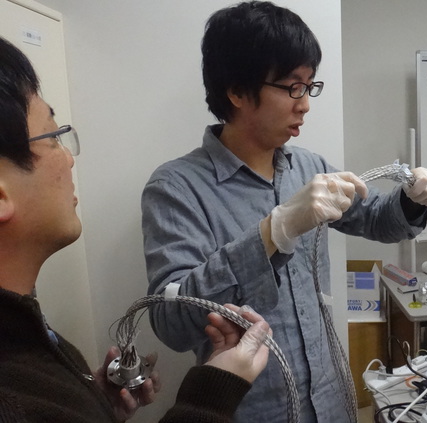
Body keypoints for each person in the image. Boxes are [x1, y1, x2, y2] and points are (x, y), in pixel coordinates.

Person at [140, 1, 427, 422]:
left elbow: (377, 218)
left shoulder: (308, 167)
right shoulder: (177, 187)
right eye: (292, 87)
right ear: (237, 91)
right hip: (253, 411)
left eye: (309, 86)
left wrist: (414, 197)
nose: (305, 105)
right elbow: (171, 322)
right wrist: (271, 234)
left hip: (332, 402)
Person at [0, 36, 271, 423]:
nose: (69, 159)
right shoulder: (176, 184)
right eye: (53, 136)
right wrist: (212, 395)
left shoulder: (28, 342)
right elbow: (172, 319)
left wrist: (94, 405)